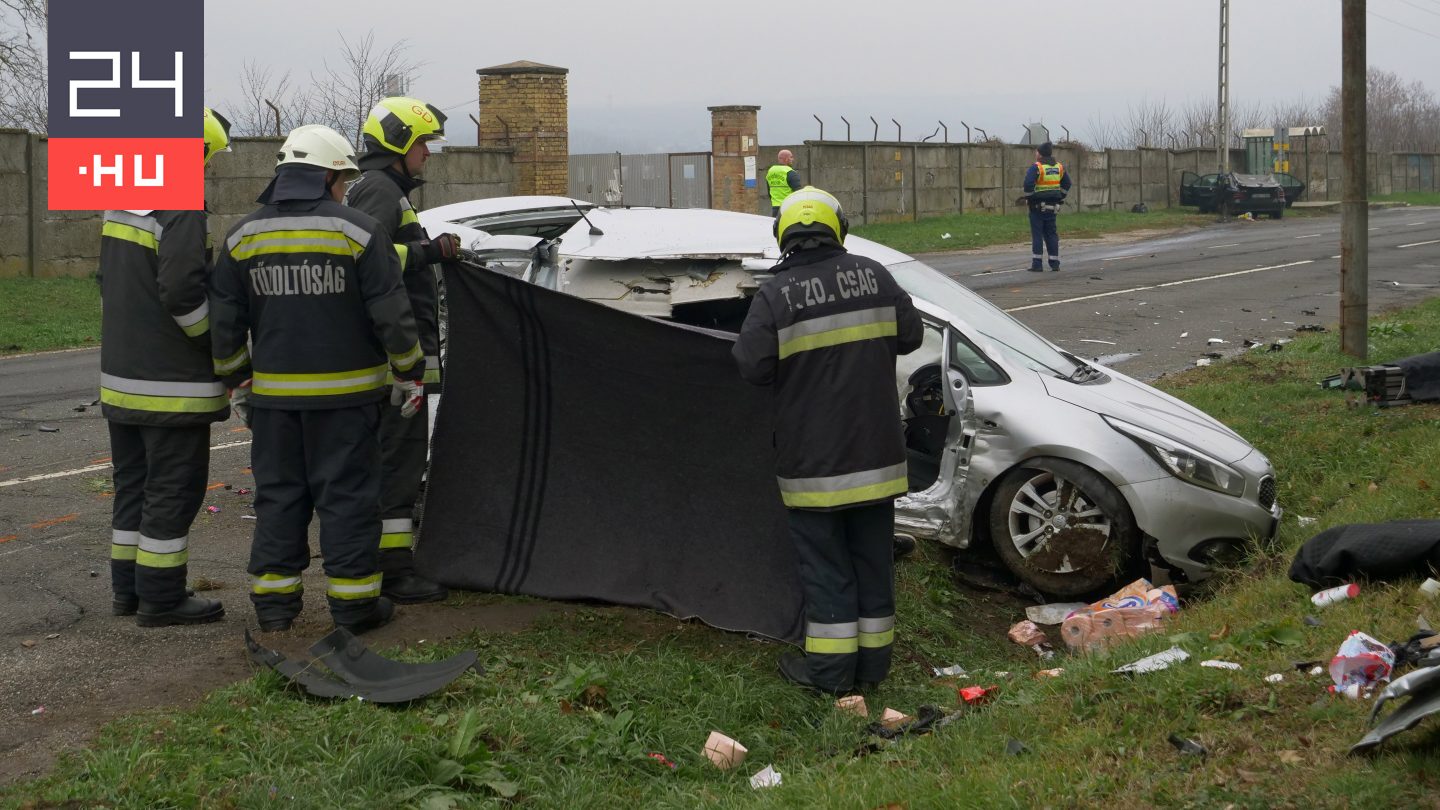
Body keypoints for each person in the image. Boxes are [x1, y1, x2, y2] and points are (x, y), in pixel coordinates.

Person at [209, 124, 426, 633]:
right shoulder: (358, 232)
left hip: (275, 406)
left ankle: (275, 609)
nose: (345, 188)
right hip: (348, 404)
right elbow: (392, 315)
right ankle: (354, 608)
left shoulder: (242, 236)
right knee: (348, 500)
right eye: (343, 180)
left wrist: (237, 380)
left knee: (279, 499)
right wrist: (410, 372)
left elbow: (224, 322)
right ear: (330, 176)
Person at [732, 186, 923, 694]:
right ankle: (872, 671)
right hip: (878, 457)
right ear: (838, 228)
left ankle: (829, 676)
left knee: (826, 569)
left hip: (814, 465)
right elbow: (911, 336)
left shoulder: (775, 295)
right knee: (872, 564)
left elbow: (750, 366)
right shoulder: (876, 276)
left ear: (784, 235)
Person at [98, 107, 233, 627]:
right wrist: (216, 347)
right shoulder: (179, 200)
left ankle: (127, 591)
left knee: (133, 486)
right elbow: (182, 293)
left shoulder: (122, 196)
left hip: (122, 378)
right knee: (173, 490)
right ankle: (161, 596)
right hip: (170, 384)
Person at [345, 96, 460, 605]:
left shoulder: (387, 190)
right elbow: (359, 253)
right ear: (398, 146)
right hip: (395, 364)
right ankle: (394, 570)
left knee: (399, 461)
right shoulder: (379, 191)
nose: (428, 155)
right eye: (422, 144)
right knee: (399, 463)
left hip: (401, 359)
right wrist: (426, 252)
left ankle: (389, 563)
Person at [1023, 141, 1071, 271]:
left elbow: (1028, 184)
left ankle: (1037, 264)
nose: (1035, 153)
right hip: (1053, 207)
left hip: (1037, 207)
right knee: (1051, 234)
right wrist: (1060, 196)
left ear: (1040, 154)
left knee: (1037, 235)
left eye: (1036, 151)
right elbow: (1067, 183)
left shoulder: (1037, 167)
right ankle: (1054, 263)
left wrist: (1030, 197)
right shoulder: (1059, 167)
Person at [766, 149, 803, 216]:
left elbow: (769, 192)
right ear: (786, 159)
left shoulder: (770, 171)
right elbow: (798, 193)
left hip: (775, 209)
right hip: (788, 209)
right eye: (791, 157)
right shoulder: (791, 173)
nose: (793, 159)